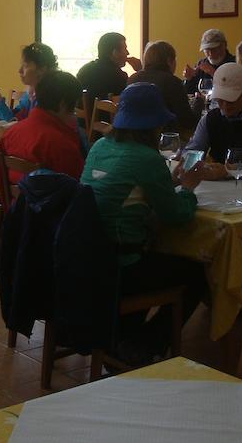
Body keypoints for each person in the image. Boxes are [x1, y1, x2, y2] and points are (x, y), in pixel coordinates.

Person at [81, 83, 210, 363]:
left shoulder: (100, 146)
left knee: (154, 259)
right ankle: (144, 343)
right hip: (122, 265)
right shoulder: (147, 157)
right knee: (196, 273)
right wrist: (187, 188)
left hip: (90, 259)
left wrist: (168, 182)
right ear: (153, 125)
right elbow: (176, 216)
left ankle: (124, 335)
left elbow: (126, 190)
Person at [0, 71, 86, 185]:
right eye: (73, 108)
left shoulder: (9, 134)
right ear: (62, 105)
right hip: (56, 202)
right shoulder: (61, 144)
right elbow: (78, 186)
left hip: (17, 201)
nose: (74, 114)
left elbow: (0, 179)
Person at [0, 42, 59, 122]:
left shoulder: (49, 99)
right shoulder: (29, 95)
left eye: (25, 66)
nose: (19, 71)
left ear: (42, 69)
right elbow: (11, 119)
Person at [128, 40, 198, 131]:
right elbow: (187, 122)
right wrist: (198, 104)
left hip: (134, 133)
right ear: (169, 61)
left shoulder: (132, 78)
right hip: (161, 138)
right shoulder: (172, 82)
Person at [76, 33, 141, 102]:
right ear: (114, 52)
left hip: (85, 112)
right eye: (125, 49)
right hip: (106, 112)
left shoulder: (84, 70)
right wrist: (140, 70)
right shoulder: (118, 76)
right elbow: (131, 99)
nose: (128, 53)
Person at [183, 28, 236, 96]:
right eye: (207, 50)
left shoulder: (235, 63)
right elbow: (189, 93)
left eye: (214, 49)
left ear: (224, 45)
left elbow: (235, 91)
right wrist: (189, 79)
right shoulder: (201, 63)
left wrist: (214, 73)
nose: (210, 54)